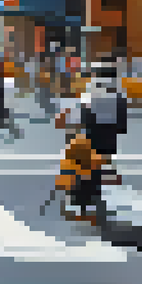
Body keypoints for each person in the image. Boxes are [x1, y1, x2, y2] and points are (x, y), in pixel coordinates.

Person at [55, 61, 128, 219]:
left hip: (90, 140)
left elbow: (81, 117)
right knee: (98, 171)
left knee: (86, 171)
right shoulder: (117, 96)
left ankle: (82, 201)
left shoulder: (90, 95)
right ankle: (94, 199)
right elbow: (122, 124)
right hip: (109, 141)